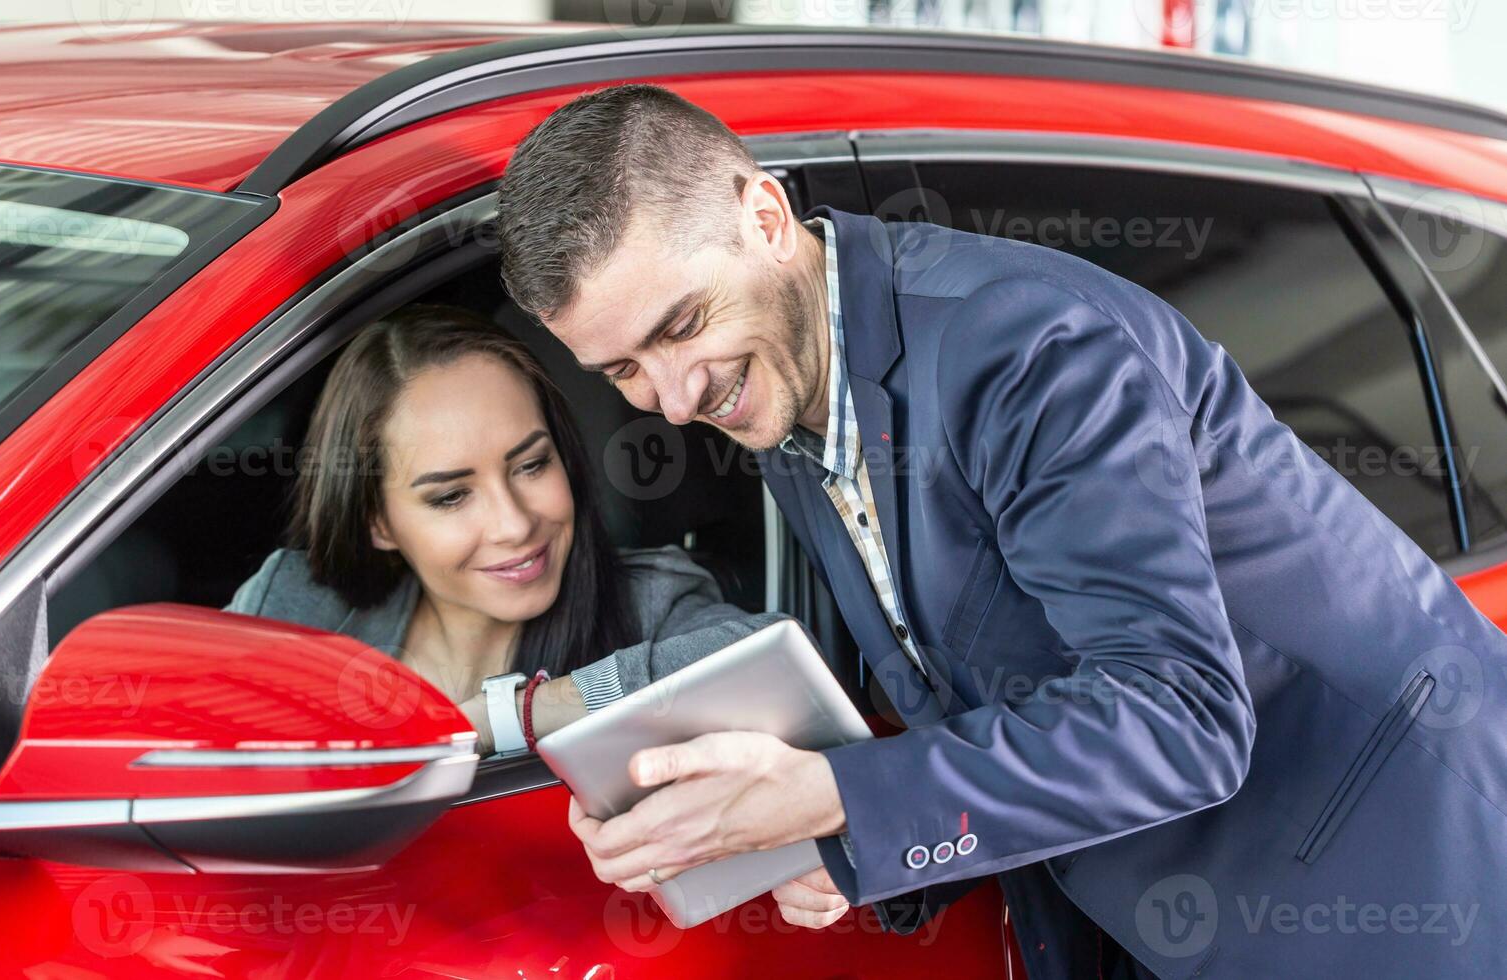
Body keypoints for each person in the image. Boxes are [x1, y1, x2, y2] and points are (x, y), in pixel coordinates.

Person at [495, 84, 1507, 978]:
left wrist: (835, 793)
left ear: (765, 216)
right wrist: (836, 842)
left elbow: (1180, 718)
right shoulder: (785, 392)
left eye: (679, 326)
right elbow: (981, 692)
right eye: (623, 370)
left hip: (1401, 882)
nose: (672, 399)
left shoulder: (1025, 348)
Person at [225, 303, 782, 756]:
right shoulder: (296, 609)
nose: (515, 524)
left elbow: (770, 668)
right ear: (377, 522)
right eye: (451, 496)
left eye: (532, 465)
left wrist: (517, 715)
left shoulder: (649, 603)